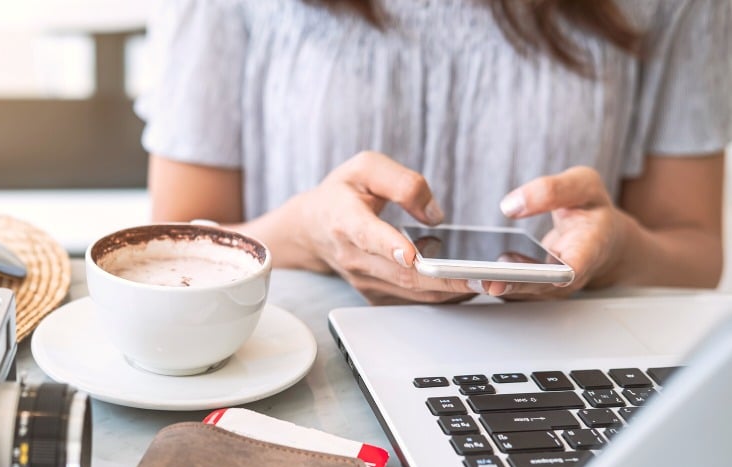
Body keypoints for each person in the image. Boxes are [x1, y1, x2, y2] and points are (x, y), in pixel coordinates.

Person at [135, 0, 730, 304]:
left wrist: (618, 250)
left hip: (550, 381)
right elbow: (168, 247)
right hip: (294, 383)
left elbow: (694, 251)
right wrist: (304, 236)